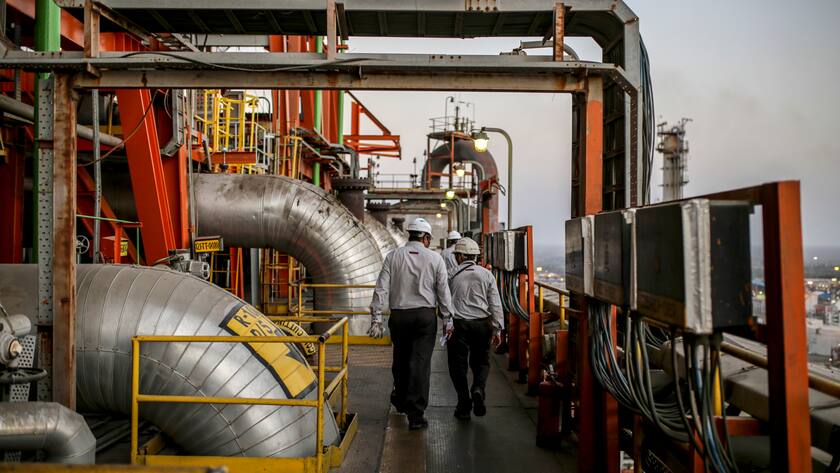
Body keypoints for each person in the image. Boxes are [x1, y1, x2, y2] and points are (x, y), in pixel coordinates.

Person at [369, 217, 454, 430]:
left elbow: (381, 288)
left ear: (410, 235)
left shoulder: (393, 257)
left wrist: (376, 318)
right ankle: (415, 415)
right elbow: (443, 291)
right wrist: (448, 318)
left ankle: (400, 398)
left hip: (399, 316)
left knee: (400, 358)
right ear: (425, 238)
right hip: (424, 317)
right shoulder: (435, 259)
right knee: (420, 363)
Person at [446, 237, 503, 420]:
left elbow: (445, 303)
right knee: (481, 362)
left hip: (459, 325)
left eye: (456, 256)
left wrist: (445, 324)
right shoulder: (486, 275)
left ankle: (463, 405)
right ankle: (478, 388)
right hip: (481, 324)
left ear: (461, 257)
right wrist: (497, 329)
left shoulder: (451, 274)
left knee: (457, 365)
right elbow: (495, 304)